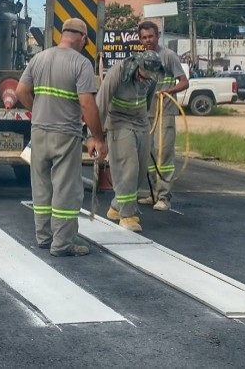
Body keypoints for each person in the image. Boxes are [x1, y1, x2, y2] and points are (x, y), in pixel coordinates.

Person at [16, 17, 107, 257]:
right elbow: (87, 104)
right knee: (66, 190)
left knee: (42, 187)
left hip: (38, 132)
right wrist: (98, 138)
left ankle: (44, 237)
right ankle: (62, 244)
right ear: (83, 39)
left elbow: (21, 91)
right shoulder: (82, 64)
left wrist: (37, 111)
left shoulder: (40, 58)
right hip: (65, 134)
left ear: (63, 35)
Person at [96, 50, 163, 232]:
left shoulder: (152, 76)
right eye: (144, 74)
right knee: (129, 167)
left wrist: (144, 124)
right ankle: (127, 215)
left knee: (141, 169)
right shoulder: (118, 72)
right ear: (137, 67)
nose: (146, 79)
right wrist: (95, 136)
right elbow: (101, 103)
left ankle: (117, 206)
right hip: (118, 121)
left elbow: (148, 102)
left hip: (140, 122)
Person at [136, 21, 188, 211]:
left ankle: (164, 197)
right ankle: (153, 194)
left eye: (150, 36)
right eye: (144, 37)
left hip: (165, 111)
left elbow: (184, 82)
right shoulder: (141, 58)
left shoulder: (168, 56)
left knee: (163, 153)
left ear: (157, 36)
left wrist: (168, 90)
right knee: (148, 154)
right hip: (145, 113)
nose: (147, 40)